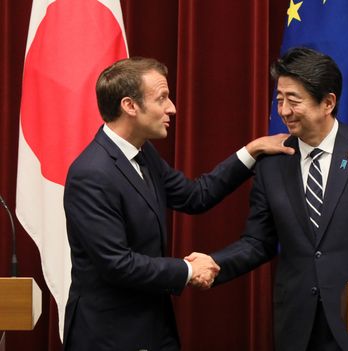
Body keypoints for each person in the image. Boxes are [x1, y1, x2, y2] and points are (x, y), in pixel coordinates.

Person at [188, 47, 348, 350]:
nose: (284, 111)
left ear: (327, 102)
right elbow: (258, 242)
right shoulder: (272, 163)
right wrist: (215, 262)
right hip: (299, 324)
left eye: (294, 100)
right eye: (279, 99)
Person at [62, 56, 294, 351]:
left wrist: (252, 150)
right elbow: (116, 264)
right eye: (162, 98)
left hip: (154, 329)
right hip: (109, 336)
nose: (172, 108)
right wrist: (187, 271)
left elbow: (195, 196)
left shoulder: (144, 154)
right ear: (130, 106)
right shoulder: (90, 174)